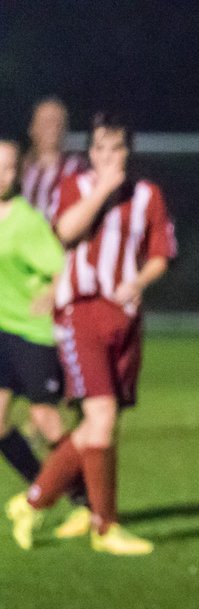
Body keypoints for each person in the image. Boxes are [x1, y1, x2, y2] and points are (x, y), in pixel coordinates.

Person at [6, 113, 176, 556]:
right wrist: (102, 188)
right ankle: (103, 526)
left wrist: (138, 282)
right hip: (80, 314)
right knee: (97, 417)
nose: (105, 157)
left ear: (129, 152)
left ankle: (36, 502)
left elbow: (161, 252)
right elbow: (64, 232)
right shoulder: (76, 187)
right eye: (98, 148)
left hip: (124, 320)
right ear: (90, 153)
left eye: (115, 149)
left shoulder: (147, 195)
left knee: (101, 425)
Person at [0, 139, 85, 517]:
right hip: (3, 330)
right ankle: (43, 489)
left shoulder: (26, 221)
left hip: (34, 333)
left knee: (45, 419)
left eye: (6, 168)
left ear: (16, 174)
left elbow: (62, 266)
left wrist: (51, 292)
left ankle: (86, 499)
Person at [21, 97, 85, 223]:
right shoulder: (18, 168)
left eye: (58, 121)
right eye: (46, 121)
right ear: (31, 128)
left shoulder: (76, 168)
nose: (53, 127)